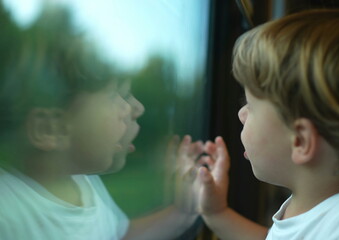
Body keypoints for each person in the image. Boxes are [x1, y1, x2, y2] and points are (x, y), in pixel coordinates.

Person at [195, 9, 339, 240]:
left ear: (301, 141)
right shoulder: (323, 207)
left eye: (251, 106)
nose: (241, 115)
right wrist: (216, 213)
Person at [0, 5, 202, 240]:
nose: (137, 108)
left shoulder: (83, 182)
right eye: (116, 94)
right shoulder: (8, 215)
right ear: (50, 129)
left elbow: (117, 235)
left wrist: (182, 212)